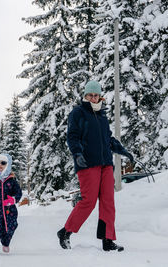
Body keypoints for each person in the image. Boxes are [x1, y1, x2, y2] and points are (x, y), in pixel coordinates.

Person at [57, 80, 134, 252]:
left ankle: (108, 241)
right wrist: (77, 154)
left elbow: (108, 139)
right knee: (89, 201)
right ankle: (65, 232)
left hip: (106, 164)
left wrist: (123, 151)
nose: (93, 98)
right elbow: (73, 137)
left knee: (108, 201)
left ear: (100, 96)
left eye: (96, 95)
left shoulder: (102, 116)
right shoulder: (78, 113)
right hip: (87, 163)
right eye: (90, 95)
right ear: (85, 96)